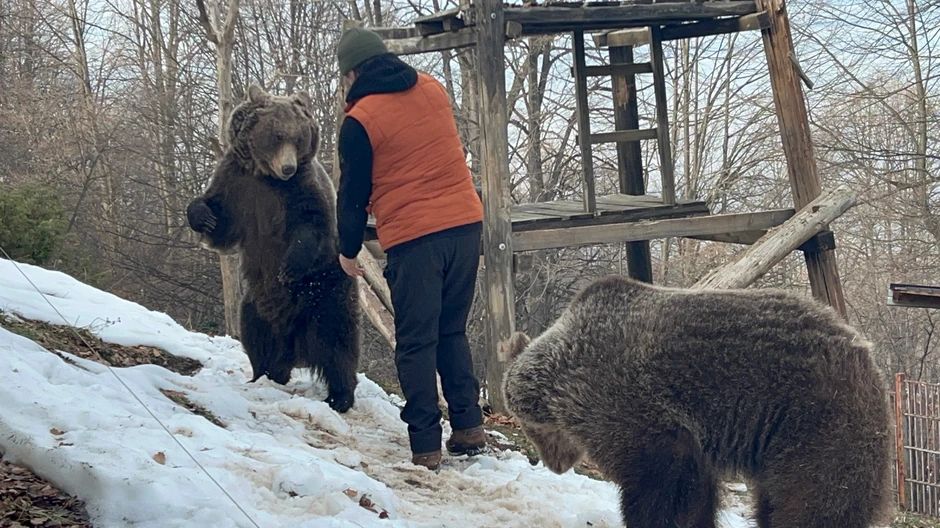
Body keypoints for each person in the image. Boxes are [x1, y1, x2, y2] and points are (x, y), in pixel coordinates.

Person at [334, 26, 486, 471]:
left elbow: (353, 193)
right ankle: (469, 426)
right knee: (451, 331)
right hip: (464, 226)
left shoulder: (359, 120)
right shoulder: (433, 89)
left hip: (416, 239)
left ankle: (426, 446)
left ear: (353, 73)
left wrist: (347, 250)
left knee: (416, 343)